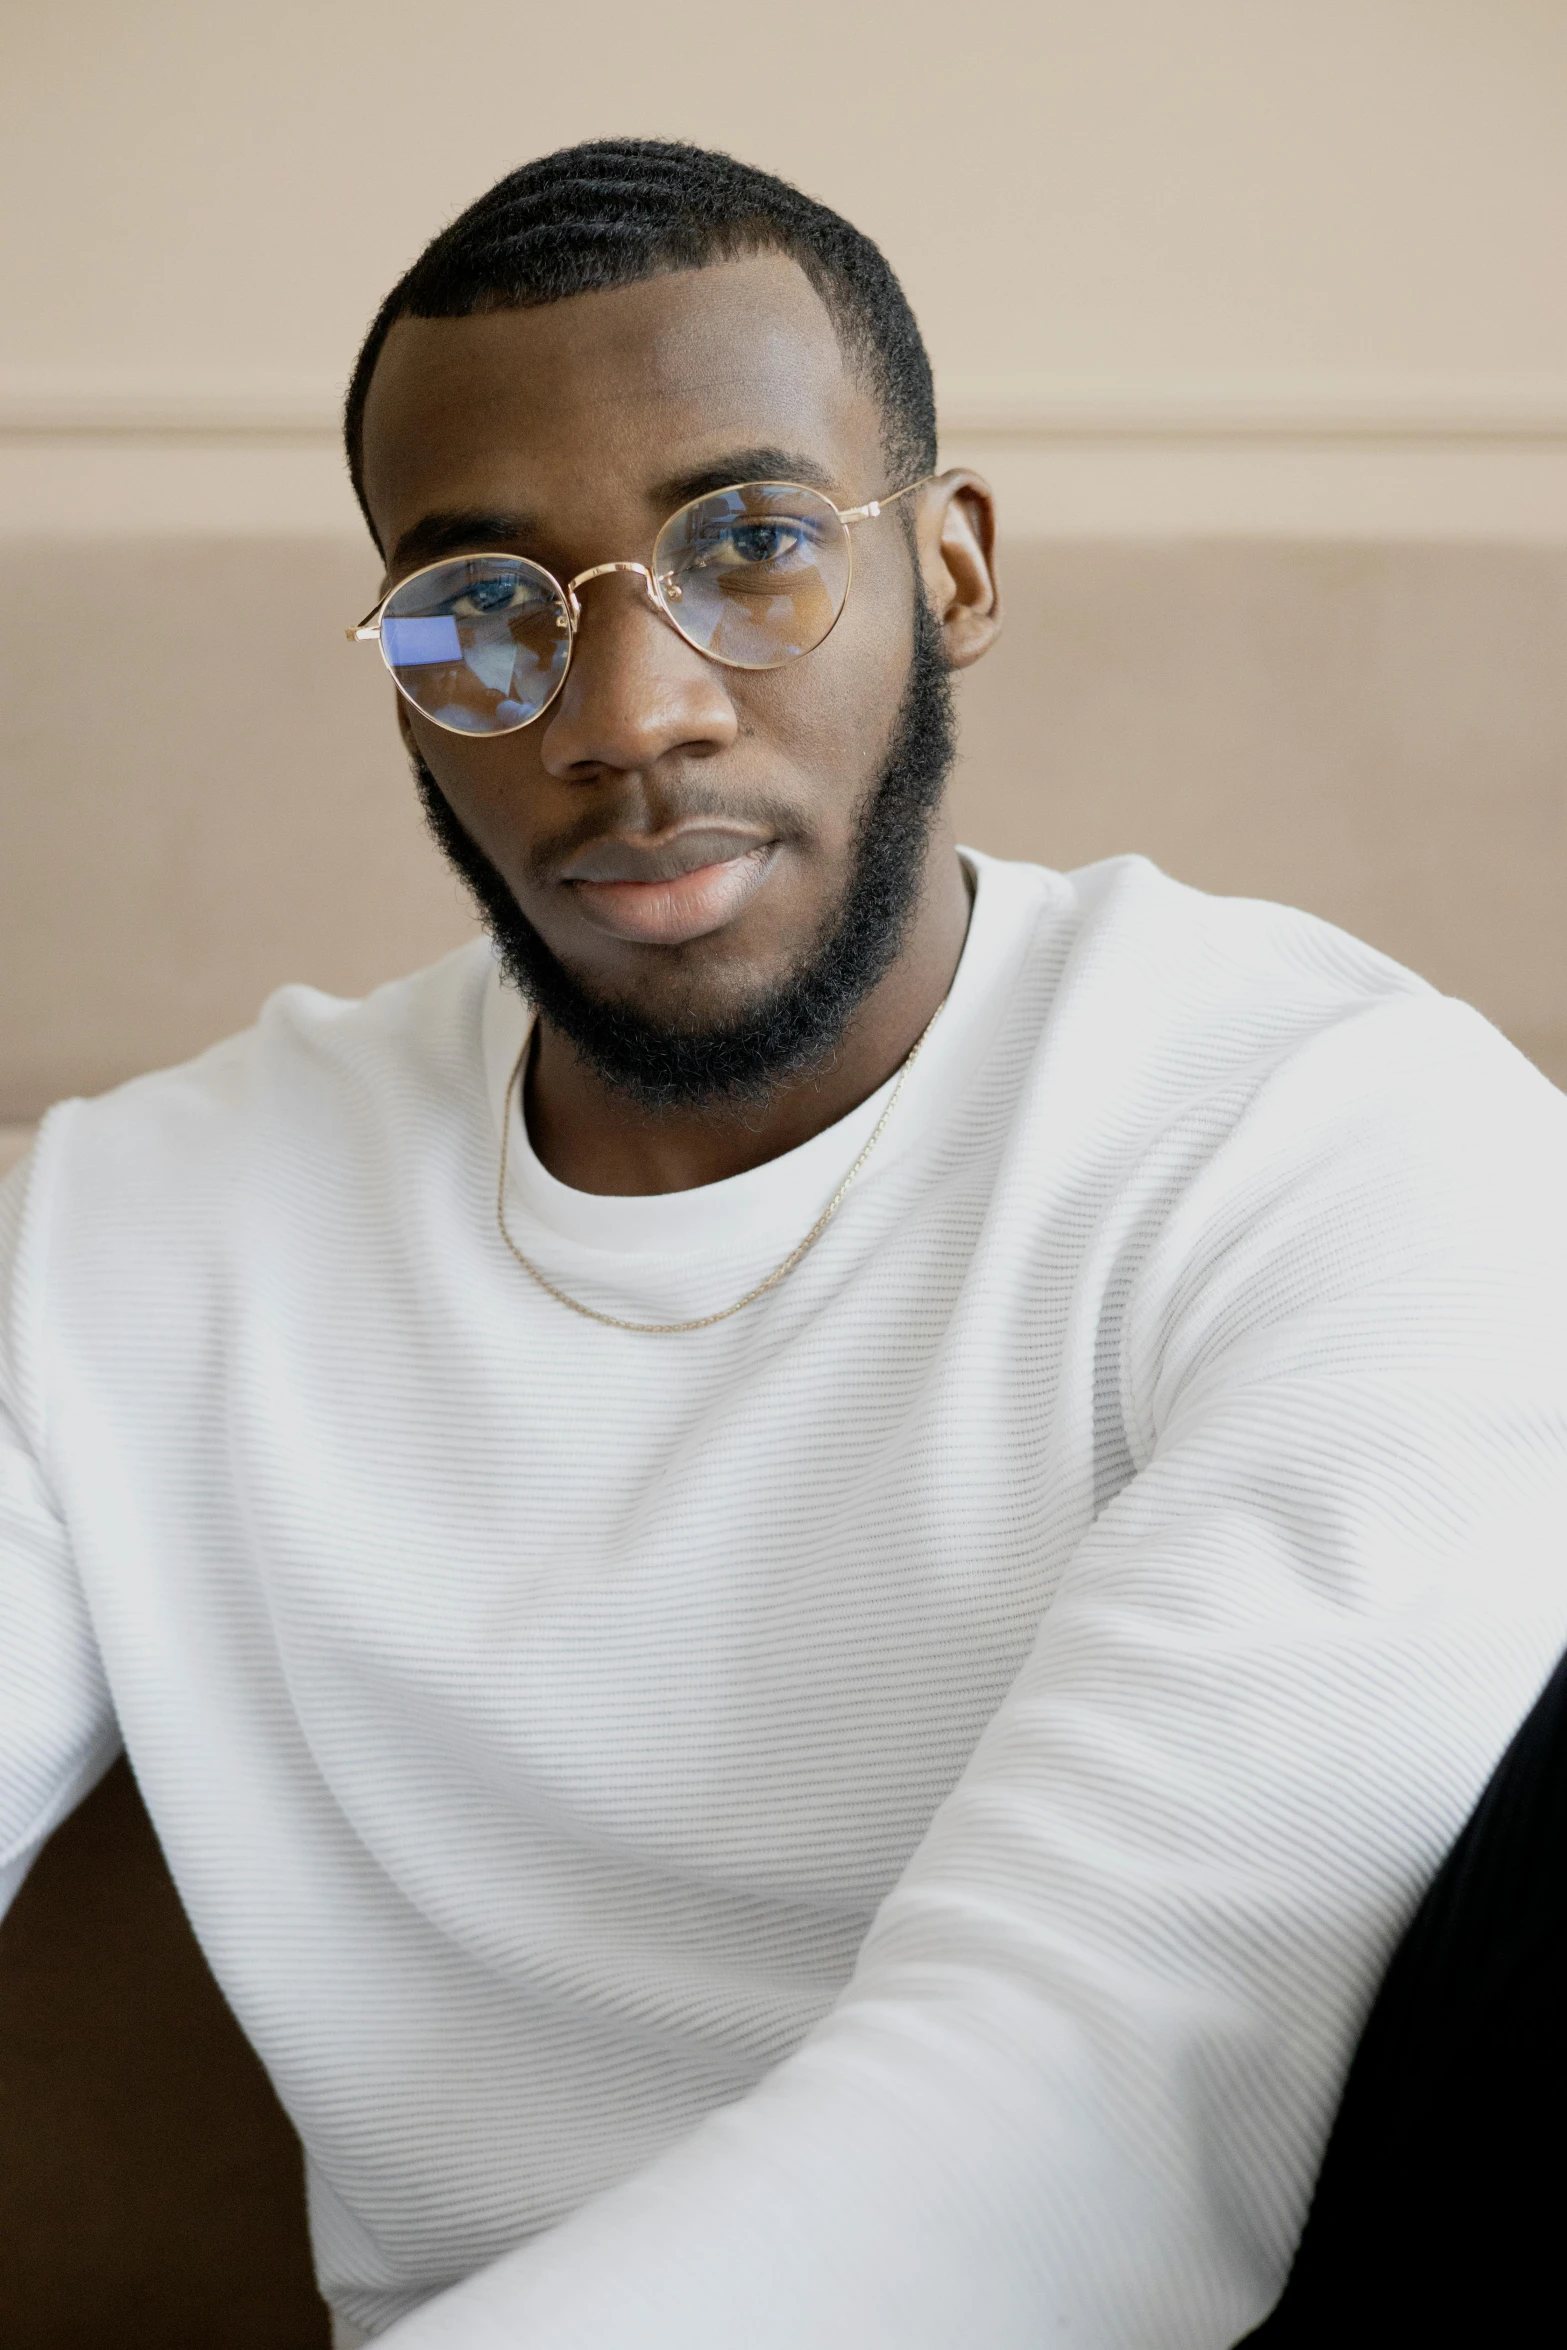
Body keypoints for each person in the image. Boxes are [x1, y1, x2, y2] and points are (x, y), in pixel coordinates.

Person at [2, 139, 1565, 2350]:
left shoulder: (1345, 1147)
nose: (627, 719)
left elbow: (1082, 2106)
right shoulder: (127, 1237)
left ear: (957, 568)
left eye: (749, 549)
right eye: (483, 609)